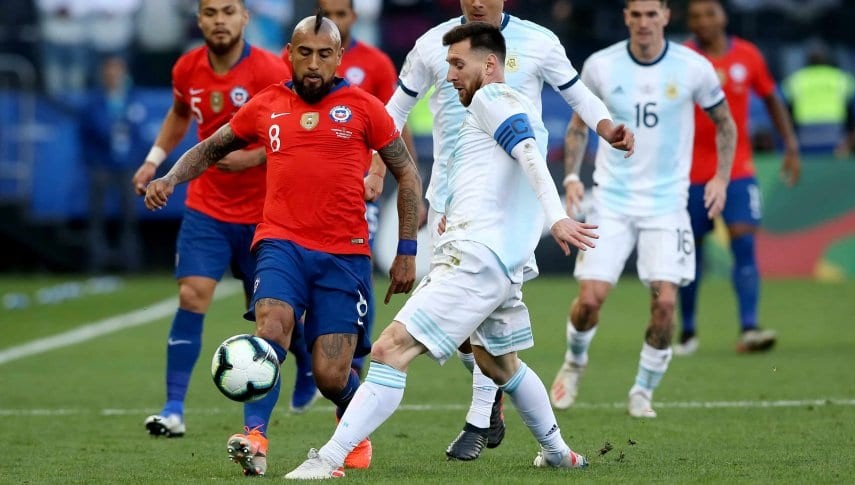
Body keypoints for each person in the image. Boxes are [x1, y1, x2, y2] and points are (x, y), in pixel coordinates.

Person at [284, 21, 599, 480]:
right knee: (498, 362)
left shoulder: (494, 98)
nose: (449, 76)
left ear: (490, 64)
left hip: (474, 257)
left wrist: (556, 217)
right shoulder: (511, 104)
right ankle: (557, 452)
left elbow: (529, 153)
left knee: (391, 349)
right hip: (501, 262)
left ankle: (329, 459)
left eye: (457, 64)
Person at [143, 13, 422, 476]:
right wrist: (170, 178)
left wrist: (407, 250)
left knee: (332, 375)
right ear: (288, 55)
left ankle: (353, 422)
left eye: (324, 54)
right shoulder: (266, 103)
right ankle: (255, 440)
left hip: (344, 254)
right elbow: (211, 147)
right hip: (280, 242)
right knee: (271, 331)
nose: (313, 64)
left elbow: (407, 173)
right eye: (305, 53)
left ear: (338, 59)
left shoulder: (364, 107)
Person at [384, 0, 634, 461]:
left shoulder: (539, 42)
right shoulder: (431, 46)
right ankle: (505, 408)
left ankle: (480, 419)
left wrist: (606, 127)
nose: (478, 2)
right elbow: (393, 112)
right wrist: (369, 167)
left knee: (477, 322)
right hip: (447, 201)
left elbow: (576, 92)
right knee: (467, 334)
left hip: (507, 206)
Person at [133, 0, 317, 440]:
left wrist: (255, 156)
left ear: (244, 18)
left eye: (228, 11)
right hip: (207, 208)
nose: (220, 20)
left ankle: (307, 366)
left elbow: (299, 127)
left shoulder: (272, 70)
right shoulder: (187, 69)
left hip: (265, 215)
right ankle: (173, 408)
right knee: (192, 295)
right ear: (199, 20)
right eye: (211, 12)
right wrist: (153, 159)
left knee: (277, 318)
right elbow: (180, 114)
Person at [549, 0, 737, 418]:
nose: (644, 23)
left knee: (666, 303)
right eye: (636, 14)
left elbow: (725, 121)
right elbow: (579, 124)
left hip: (667, 205)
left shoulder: (693, 67)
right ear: (626, 18)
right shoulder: (601, 65)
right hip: (611, 201)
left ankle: (642, 390)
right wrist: (573, 176)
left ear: (667, 17)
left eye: (653, 14)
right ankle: (575, 362)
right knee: (590, 300)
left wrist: (721, 177)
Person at [283, 0, 420, 376]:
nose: (336, 21)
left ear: (354, 18)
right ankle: (311, 360)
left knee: (357, 270)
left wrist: (383, 174)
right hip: (303, 197)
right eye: (329, 14)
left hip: (358, 193)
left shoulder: (375, 64)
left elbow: (394, 122)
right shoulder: (303, 62)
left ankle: (354, 358)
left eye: (342, 14)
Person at [676, 0, 802, 355]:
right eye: (696, 16)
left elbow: (773, 99)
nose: (703, 21)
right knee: (691, 253)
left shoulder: (748, 55)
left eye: (709, 13)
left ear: (723, 17)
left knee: (744, 244)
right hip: (689, 175)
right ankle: (688, 332)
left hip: (737, 171)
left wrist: (791, 146)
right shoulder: (681, 59)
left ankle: (749, 327)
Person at [81, 55, 145, 274]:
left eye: (117, 70)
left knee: (129, 214)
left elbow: (139, 135)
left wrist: (135, 159)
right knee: (97, 216)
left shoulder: (131, 99)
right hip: (102, 163)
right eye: (110, 71)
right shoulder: (95, 100)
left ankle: (130, 261)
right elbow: (89, 133)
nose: (113, 75)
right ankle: (97, 260)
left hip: (126, 164)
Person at [782, 43, 855, 157]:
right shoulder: (841, 78)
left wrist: (791, 141)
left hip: (805, 137)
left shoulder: (795, 79)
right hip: (835, 136)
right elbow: (851, 112)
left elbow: (787, 113)